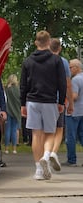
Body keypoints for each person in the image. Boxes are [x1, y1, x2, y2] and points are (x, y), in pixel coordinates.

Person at [20, 30, 66, 180]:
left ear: (36, 43)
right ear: (48, 43)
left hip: (32, 101)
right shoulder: (56, 60)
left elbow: (23, 85)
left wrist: (22, 104)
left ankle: (38, 170)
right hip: (49, 101)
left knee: (35, 135)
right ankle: (46, 155)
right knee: (50, 133)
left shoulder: (27, 61)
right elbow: (62, 83)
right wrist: (61, 102)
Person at [48, 38, 74, 171]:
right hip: (59, 101)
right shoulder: (63, 62)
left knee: (45, 130)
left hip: (43, 100)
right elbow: (68, 84)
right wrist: (70, 102)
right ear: (60, 48)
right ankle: (53, 152)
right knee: (59, 129)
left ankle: (45, 155)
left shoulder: (42, 60)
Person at [64, 59, 83, 167]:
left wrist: (66, 93)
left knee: (70, 137)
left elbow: (74, 96)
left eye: (71, 67)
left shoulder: (75, 80)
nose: (69, 70)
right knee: (82, 136)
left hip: (74, 111)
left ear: (77, 67)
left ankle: (72, 160)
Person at [4, 74, 21, 154]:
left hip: (8, 110)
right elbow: (20, 100)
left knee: (8, 130)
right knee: (14, 130)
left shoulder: (7, 89)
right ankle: (14, 149)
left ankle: (6, 149)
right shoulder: (18, 89)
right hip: (16, 111)